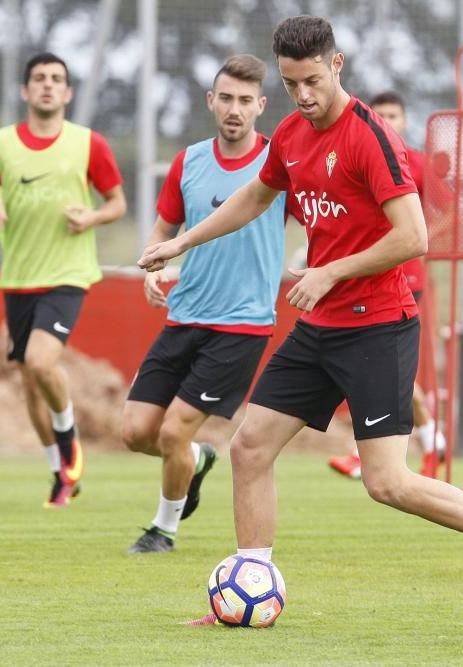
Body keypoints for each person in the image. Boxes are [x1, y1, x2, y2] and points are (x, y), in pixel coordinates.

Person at [140, 16, 463, 634]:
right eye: (290, 84)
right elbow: (256, 198)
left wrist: (330, 271)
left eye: (312, 80)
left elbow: (413, 237)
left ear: (336, 66)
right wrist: (182, 242)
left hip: (379, 326)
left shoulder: (369, 138)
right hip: (322, 324)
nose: (303, 96)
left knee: (387, 483)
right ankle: (249, 586)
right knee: (249, 447)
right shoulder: (289, 133)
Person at [122, 54, 286, 553]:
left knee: (172, 432)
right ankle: (197, 457)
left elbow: (320, 219)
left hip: (242, 324)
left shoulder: (277, 163)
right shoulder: (188, 161)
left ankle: (163, 529)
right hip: (184, 315)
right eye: (226, 98)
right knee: (134, 432)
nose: (234, 109)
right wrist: (153, 266)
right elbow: (164, 226)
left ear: (259, 105)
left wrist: (318, 267)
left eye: (245, 100)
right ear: (211, 101)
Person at [0, 52, 127, 508]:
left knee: (41, 362)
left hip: (68, 275)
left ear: (68, 93)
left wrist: (93, 216)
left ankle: (69, 441)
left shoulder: (88, 143)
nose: (48, 86)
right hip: (18, 277)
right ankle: (61, 473)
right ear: (25, 90)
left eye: (57, 79)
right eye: (39, 78)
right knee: (29, 382)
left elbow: (117, 203)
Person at [328, 90, 447, 480]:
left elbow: (450, 210)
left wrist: (421, 238)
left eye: (393, 115)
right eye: (380, 114)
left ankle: (410, 443)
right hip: (363, 275)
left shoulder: (415, 163)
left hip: (403, 278)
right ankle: (429, 439)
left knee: (381, 368)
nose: (387, 121)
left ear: (405, 120)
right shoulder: (359, 156)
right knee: (377, 369)